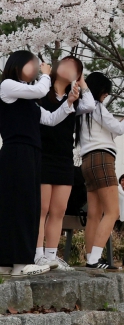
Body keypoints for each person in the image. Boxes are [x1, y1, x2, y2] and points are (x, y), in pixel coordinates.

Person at [0, 51, 79, 276]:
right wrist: (46, 75)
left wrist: (69, 102)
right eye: (32, 64)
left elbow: (51, 119)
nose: (36, 69)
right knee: (20, 206)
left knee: (24, 205)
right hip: (17, 151)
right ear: (17, 65)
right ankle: (19, 262)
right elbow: (41, 90)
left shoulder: (30, 100)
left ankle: (8, 263)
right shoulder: (7, 86)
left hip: (31, 154)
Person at [37, 56, 97, 271]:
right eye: (66, 63)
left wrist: (82, 83)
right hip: (42, 156)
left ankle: (51, 256)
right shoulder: (41, 91)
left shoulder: (76, 99)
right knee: (41, 209)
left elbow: (90, 105)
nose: (68, 68)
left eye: (74, 68)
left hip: (64, 159)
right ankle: (37, 255)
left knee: (58, 211)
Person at [77, 71, 124, 269]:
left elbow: (110, 131)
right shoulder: (96, 106)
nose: (107, 95)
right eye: (105, 91)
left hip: (87, 161)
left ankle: (90, 258)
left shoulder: (83, 110)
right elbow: (119, 129)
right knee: (113, 211)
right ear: (99, 89)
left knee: (94, 214)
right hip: (103, 159)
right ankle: (95, 259)